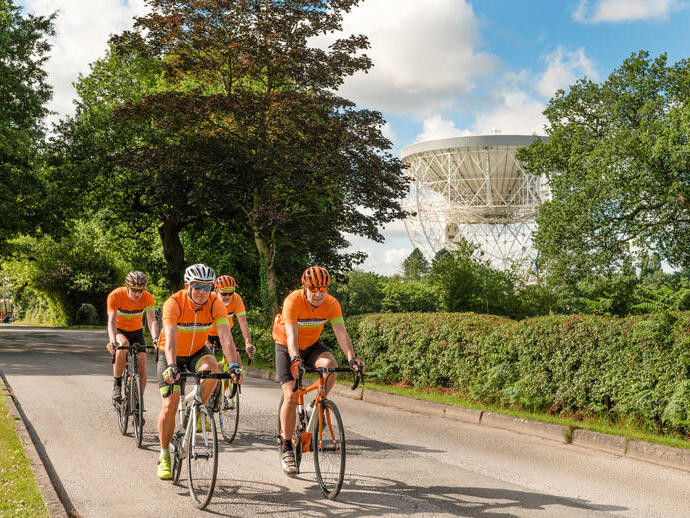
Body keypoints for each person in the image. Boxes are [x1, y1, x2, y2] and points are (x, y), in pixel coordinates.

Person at [273, 265, 365, 476]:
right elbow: (291, 335)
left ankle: (315, 406)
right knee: (290, 393)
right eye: (313, 288)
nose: (318, 293)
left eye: (323, 289)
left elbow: (341, 332)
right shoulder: (293, 300)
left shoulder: (331, 303)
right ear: (304, 287)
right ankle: (286, 445)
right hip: (287, 344)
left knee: (331, 366)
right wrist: (295, 359)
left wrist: (352, 359)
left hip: (312, 344)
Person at [156, 264, 241, 480]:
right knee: (170, 404)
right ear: (187, 286)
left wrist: (233, 366)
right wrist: (172, 365)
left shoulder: (215, 303)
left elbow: (225, 337)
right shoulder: (173, 303)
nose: (203, 292)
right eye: (197, 287)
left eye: (207, 287)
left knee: (214, 369)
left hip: (196, 351)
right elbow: (171, 340)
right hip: (171, 353)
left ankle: (197, 406)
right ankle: (164, 454)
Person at [106, 271, 159, 403]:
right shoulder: (115, 295)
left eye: (141, 290)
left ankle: (137, 401)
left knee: (142, 365)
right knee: (122, 345)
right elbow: (111, 321)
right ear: (127, 287)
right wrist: (112, 340)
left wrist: (155, 339)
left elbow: (152, 320)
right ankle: (117, 383)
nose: (138, 294)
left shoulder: (147, 297)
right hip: (119, 330)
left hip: (136, 332)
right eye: (135, 290)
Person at [206, 275, 255, 364]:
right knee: (209, 359)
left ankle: (234, 375)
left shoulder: (236, 299)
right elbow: (200, 321)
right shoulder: (209, 299)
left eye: (230, 293)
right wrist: (206, 341)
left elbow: (243, 321)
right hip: (207, 332)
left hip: (225, 332)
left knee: (236, 359)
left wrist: (248, 343)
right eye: (224, 294)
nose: (227, 297)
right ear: (216, 291)